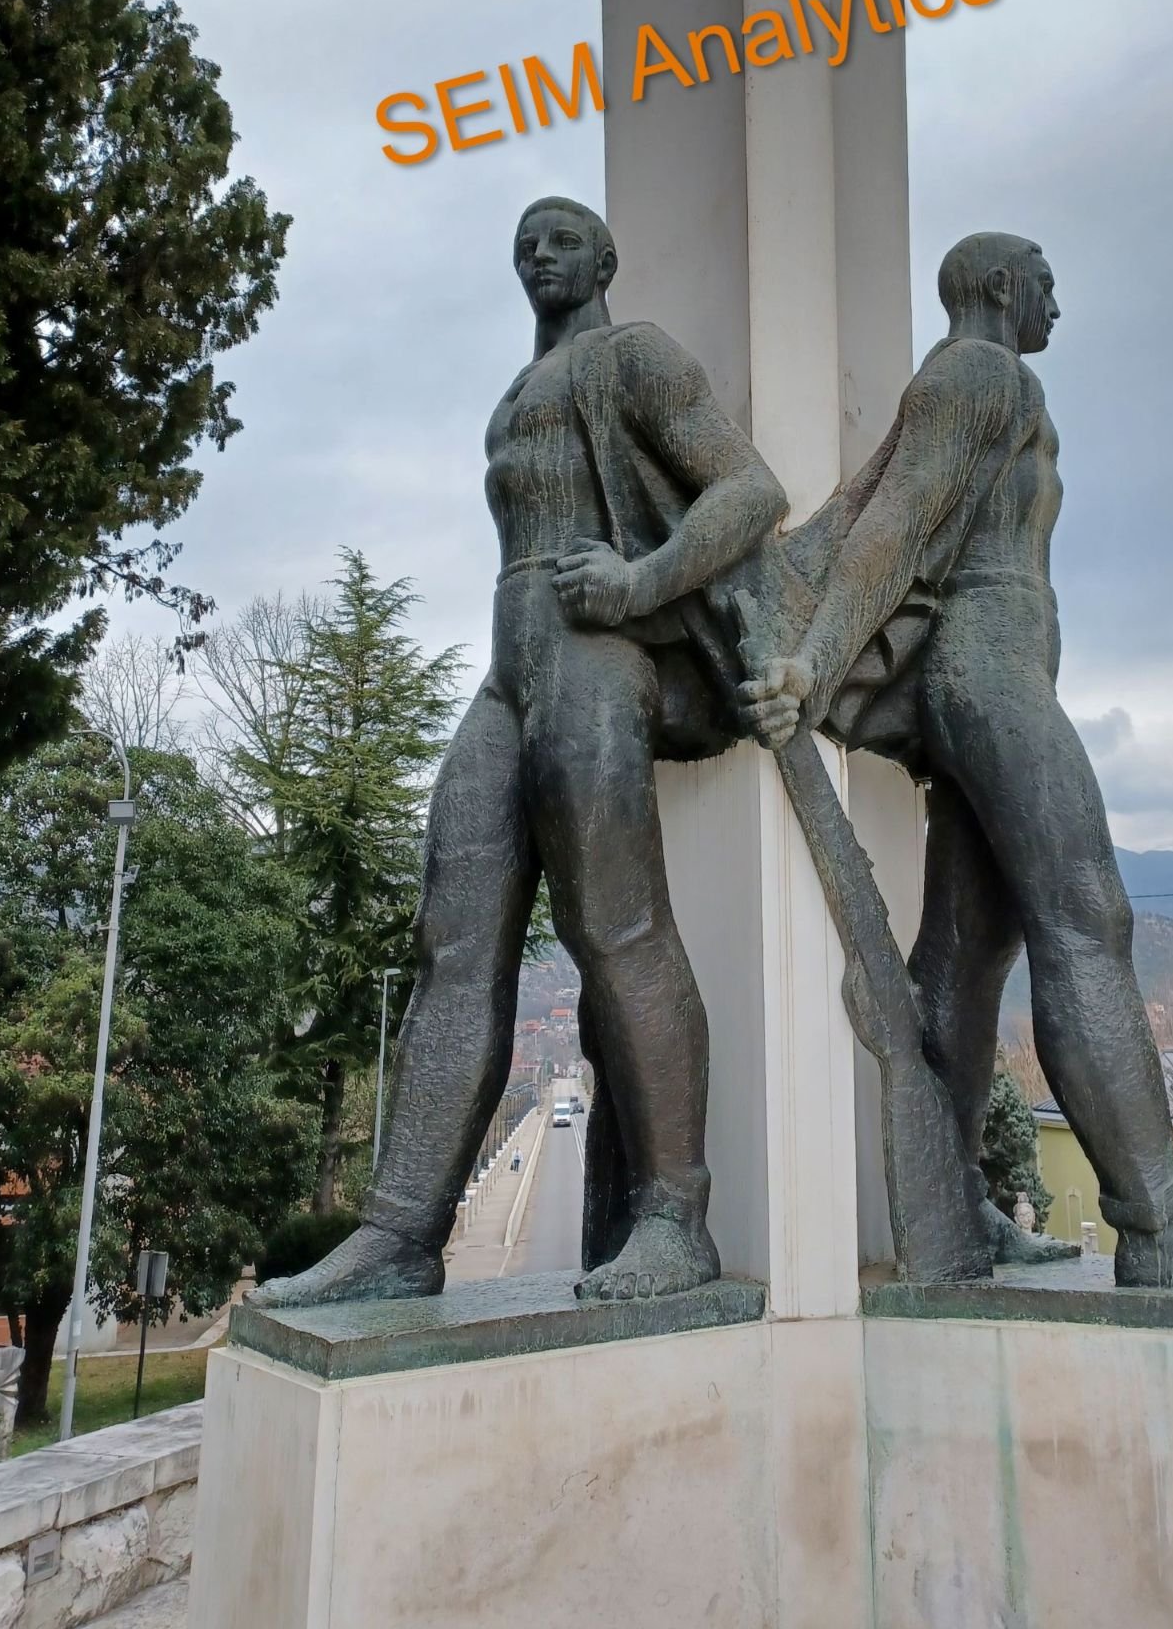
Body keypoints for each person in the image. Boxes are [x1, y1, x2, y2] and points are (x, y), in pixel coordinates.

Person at [740, 232, 1173, 1294]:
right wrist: (814, 662)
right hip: (990, 670)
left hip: (992, 671)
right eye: (1047, 282)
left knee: (968, 953)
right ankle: (1161, 1221)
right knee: (1088, 917)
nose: (1060, 302)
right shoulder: (978, 371)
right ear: (1003, 288)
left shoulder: (983, 381)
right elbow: (897, 527)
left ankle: (954, 1209)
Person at [253, 198, 786, 1310]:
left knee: (616, 924)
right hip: (509, 663)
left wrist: (642, 583)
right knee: (451, 941)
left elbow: (750, 490)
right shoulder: (514, 394)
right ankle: (400, 1232)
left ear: (606, 255)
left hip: (594, 651)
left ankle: (673, 1216)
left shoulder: (632, 355)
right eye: (524, 243)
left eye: (560, 238)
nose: (536, 253)